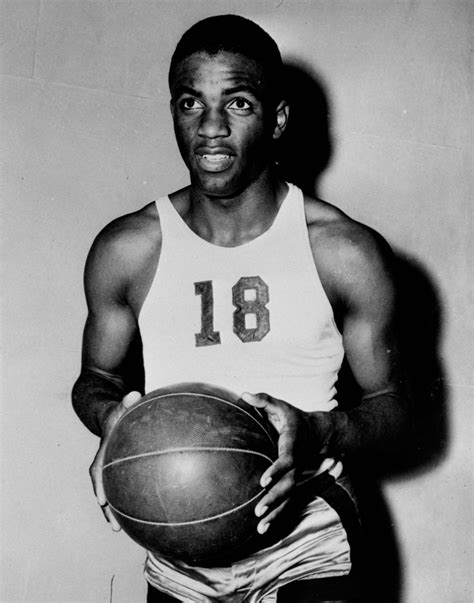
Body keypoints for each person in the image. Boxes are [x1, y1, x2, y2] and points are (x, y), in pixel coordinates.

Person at [72, 14, 411, 603]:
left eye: (238, 104)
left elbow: (399, 407)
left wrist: (319, 431)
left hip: (309, 538)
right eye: (189, 102)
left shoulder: (343, 251)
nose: (209, 128)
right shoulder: (128, 250)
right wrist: (115, 420)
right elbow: (95, 380)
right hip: (182, 548)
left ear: (277, 118)